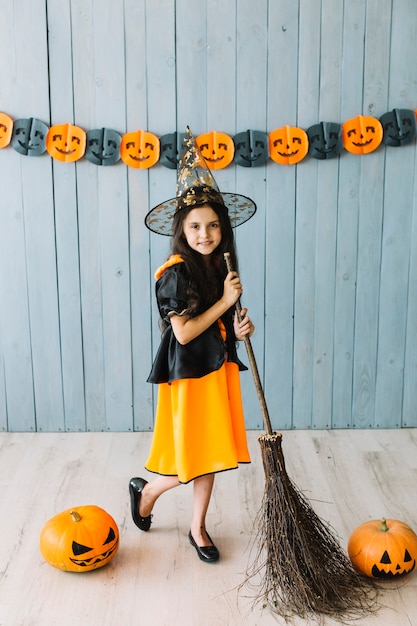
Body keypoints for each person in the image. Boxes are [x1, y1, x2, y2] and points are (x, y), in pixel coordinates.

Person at [129, 127, 257, 563]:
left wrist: (236, 329)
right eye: (196, 226)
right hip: (188, 374)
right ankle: (146, 492)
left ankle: (197, 526)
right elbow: (183, 333)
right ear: (183, 229)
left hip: (217, 367)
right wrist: (224, 300)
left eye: (214, 225)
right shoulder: (176, 271)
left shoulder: (219, 265)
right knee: (192, 458)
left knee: (213, 454)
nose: (206, 233)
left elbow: (217, 320)